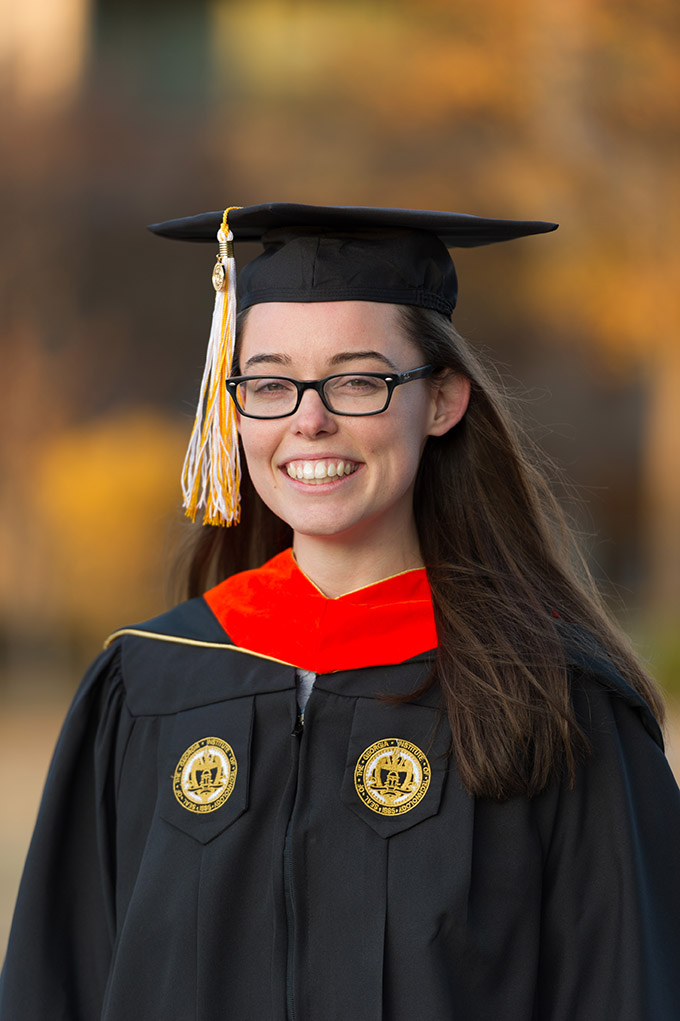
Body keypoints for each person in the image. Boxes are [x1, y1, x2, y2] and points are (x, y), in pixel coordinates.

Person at [1, 203, 679, 1020]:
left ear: (442, 402)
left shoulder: (557, 701)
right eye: (270, 383)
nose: (307, 419)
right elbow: (56, 986)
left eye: (359, 379)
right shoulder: (148, 686)